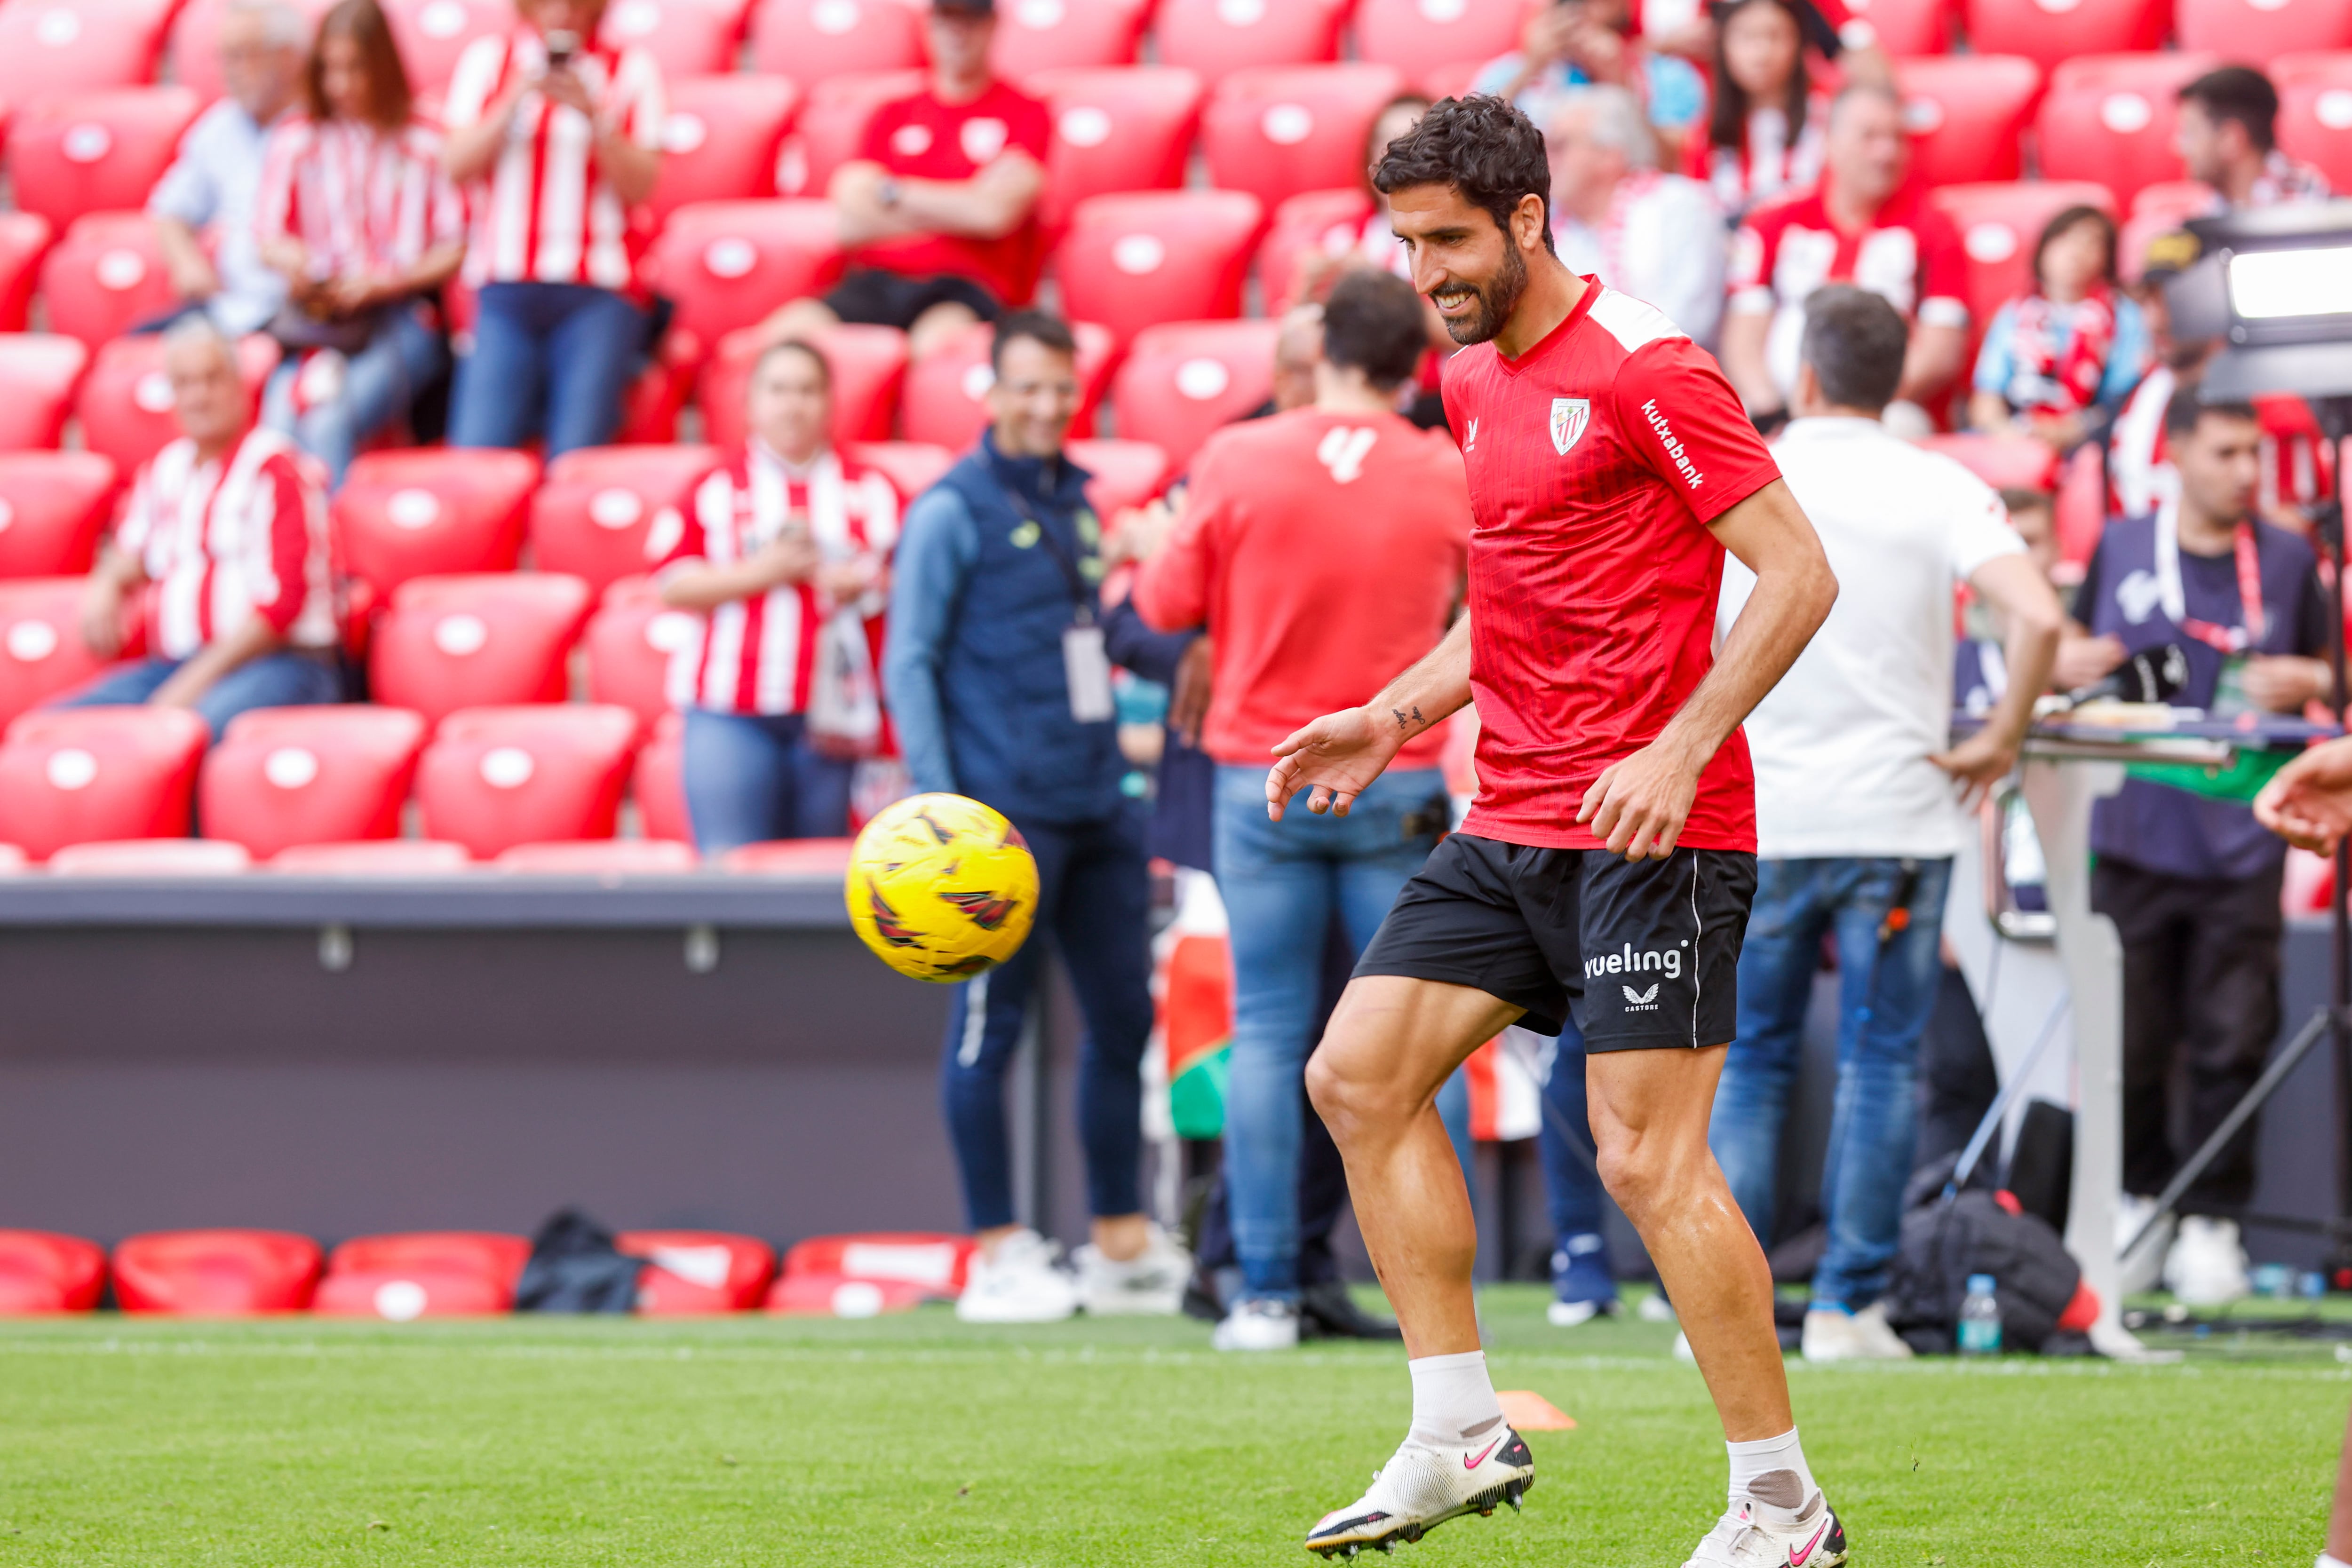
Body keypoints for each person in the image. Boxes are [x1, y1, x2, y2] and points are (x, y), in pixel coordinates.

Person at [1270, 95, 1842, 1562]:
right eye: (1406, 242)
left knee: (1645, 1162)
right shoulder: (1468, 379)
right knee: (1353, 1077)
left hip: (1656, 833)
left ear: (1528, 217)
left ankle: (1781, 1506)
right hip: (1510, 816)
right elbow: (1519, 601)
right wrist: (1387, 715)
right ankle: (1459, 1428)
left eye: (1449, 239)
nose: (1426, 271)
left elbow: (1793, 575)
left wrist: (1682, 741)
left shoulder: (1654, 367)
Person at [1709, 285, 2065, 1362]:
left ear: (1805, 372)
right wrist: (2001, 736)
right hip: (1898, 817)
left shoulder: (1745, 471)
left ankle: (1718, 1309)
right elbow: (2039, 612)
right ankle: (1844, 1309)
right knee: (1880, 1062)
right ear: (1896, 377)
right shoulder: (1936, 481)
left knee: (1749, 1059)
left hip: (1763, 814)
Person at [1130, 270, 1471, 1354]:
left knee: (1272, 1032)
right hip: (1395, 771)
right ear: (1413, 365)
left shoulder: (1238, 456)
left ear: (1323, 351)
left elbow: (1160, 606)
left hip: (1260, 771)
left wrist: (1155, 551)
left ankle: (1266, 1291)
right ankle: (1443, 1289)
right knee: (1417, 1039)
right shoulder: (1442, 470)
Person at [882, 311, 1191, 1324]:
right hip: (992, 824)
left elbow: (1101, 631)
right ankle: (1000, 1248)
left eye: (1062, 388)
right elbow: (910, 658)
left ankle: (1116, 1248)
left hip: (1098, 800)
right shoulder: (950, 510)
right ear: (991, 390)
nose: (1048, 405)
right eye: (1028, 387)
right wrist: (937, 807)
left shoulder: (1085, 502)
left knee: (1122, 1017)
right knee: (990, 1025)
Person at [2061, 390, 2333, 1307]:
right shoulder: (2123, 544)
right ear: (2175, 452)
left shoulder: (2291, 557)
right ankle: (2141, 1202)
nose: (2246, 472)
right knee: (2131, 1040)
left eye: (2253, 453)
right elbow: (2080, 657)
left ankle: (2212, 1218)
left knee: (2232, 1036)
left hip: (2246, 834)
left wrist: (2315, 678)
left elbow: (2328, 676)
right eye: (2225, 453)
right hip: (2135, 828)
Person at [651, 340, 896, 851]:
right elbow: (670, 583)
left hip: (835, 712)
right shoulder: (712, 485)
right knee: (730, 871)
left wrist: (864, 584)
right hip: (730, 705)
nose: (793, 404)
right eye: (778, 389)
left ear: (830, 401)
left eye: (807, 390)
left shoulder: (874, 487)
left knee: (824, 874)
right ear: (751, 403)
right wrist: (762, 573)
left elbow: (914, 585)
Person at [62, 320, 338, 741]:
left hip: (281, 664)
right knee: (55, 730)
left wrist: (194, 681)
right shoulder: (163, 471)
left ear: (239, 386)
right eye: (185, 383)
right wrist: (106, 584)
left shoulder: (276, 466)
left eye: (212, 379)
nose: (200, 395)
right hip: (175, 666)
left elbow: (283, 605)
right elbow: (133, 552)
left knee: (182, 737)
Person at [760, 0, 1048, 361]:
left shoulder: (1026, 112)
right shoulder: (893, 114)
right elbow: (850, 220)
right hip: (879, 281)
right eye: (947, 20)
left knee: (938, 352)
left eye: (970, 20)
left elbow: (992, 215)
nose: (957, 33)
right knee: (781, 340)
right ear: (929, 26)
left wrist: (893, 193)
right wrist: (962, 206)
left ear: (992, 26)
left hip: (966, 287)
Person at [253, 0, 465, 488]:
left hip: (401, 317)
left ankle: (329, 553)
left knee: (330, 418)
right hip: (322, 320)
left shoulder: (426, 137)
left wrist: (384, 281)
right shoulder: (299, 137)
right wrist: (297, 261)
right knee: (279, 428)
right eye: (331, 69)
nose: (342, 85)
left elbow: (457, 242)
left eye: (355, 69)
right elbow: (268, 236)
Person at [440, 0, 665, 458]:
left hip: (596, 287)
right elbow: (454, 165)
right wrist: (514, 100)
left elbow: (642, 186)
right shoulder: (490, 60)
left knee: (575, 458)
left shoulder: (630, 68)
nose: (561, 13)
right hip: (505, 283)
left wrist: (594, 115)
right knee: (477, 454)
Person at [1721, 83, 1970, 427]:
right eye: (1870, 137)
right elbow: (1744, 337)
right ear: (1829, 142)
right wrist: (1773, 408)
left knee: (1904, 424)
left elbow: (1940, 353)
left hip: (1884, 412)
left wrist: (1853, 409)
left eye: (1898, 139)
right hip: (1780, 411)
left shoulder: (1936, 229)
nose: (1887, 153)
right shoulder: (1771, 221)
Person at [150, 0, 305, 338]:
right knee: (138, 349)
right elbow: (169, 209)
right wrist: (188, 263)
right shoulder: (218, 129)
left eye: (244, 55)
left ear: (289, 57)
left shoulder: (321, 129)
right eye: (225, 57)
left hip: (301, 310)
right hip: (230, 308)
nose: (230, 69)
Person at [1548, 85, 1726, 347]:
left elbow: (1689, 320)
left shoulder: (1678, 205)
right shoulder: (1555, 235)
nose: (1546, 159)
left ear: (1610, 155)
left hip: (1670, 373)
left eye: (1560, 146)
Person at [1967, 206, 2150, 455]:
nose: (2075, 253)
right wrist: (2007, 432)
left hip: (2092, 438)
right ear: (2043, 250)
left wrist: (2074, 430)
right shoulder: (2013, 314)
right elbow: (1987, 397)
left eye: (2090, 243)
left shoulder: (2125, 317)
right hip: (2018, 436)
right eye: (2065, 240)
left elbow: (2126, 400)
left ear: (2107, 259)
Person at [1471, 0, 1709, 155]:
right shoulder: (1506, 73)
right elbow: (1471, 144)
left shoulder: (1669, 75)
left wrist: (1619, 82)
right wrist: (1531, 67)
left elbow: (1678, 159)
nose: (1580, 13)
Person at [1684, 0, 1830, 221]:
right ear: (1723, 44)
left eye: (1775, 36)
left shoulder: (1827, 116)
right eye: (1747, 37)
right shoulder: (1706, 133)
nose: (1762, 53)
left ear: (1799, 42)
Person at [2177, 65, 2330, 214]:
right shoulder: (2213, 208)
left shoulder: (2311, 207)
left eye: (2190, 134)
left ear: (2231, 139)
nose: (2178, 147)